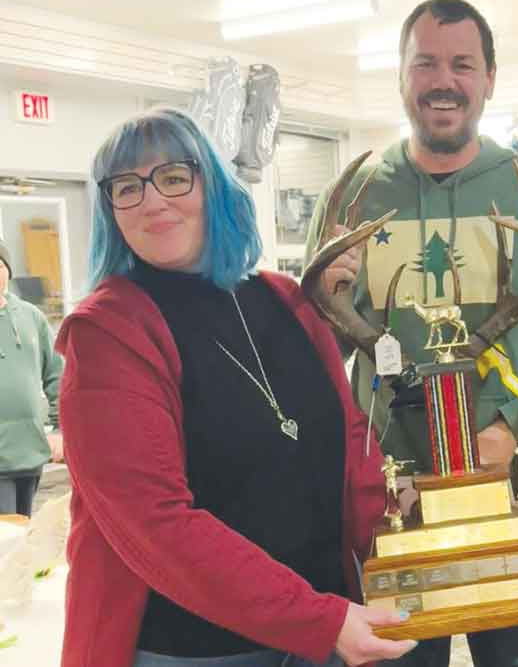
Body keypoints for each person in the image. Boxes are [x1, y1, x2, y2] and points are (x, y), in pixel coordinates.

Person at [308, 0, 518, 666]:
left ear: (490, 79)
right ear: (400, 76)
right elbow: (313, 356)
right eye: (424, 62)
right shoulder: (355, 196)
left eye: (462, 64)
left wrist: (516, 420)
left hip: (510, 506)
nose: (442, 80)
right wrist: (324, 301)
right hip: (391, 509)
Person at [54, 108, 417, 667]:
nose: (152, 201)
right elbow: (156, 523)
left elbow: (349, 452)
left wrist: (419, 553)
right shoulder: (107, 332)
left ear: (215, 186)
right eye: (126, 187)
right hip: (197, 650)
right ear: (110, 210)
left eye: (173, 177)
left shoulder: (285, 299)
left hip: (325, 629)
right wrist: (320, 619)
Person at [0, 236, 64, 516]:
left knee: (23, 535)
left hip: (30, 452)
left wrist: (59, 428)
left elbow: (57, 375)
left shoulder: (31, 317)